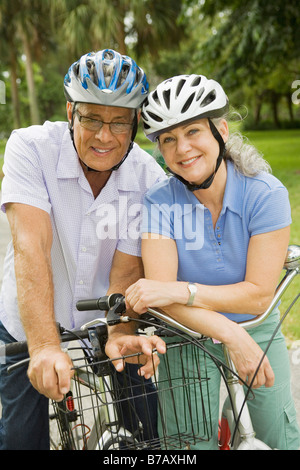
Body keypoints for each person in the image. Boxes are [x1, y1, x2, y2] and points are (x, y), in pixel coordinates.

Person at [122, 74, 300, 450]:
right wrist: (229, 334)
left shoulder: (266, 194)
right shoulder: (159, 202)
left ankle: (233, 423)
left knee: (278, 436)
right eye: (168, 139)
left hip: (257, 325)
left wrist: (178, 290)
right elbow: (163, 300)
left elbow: (256, 296)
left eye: (192, 132)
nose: (181, 148)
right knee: (188, 443)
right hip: (186, 332)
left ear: (220, 130)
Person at [0, 49, 166, 450]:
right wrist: (42, 347)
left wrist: (121, 331)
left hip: (104, 321)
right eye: (92, 118)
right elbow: (31, 247)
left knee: (147, 436)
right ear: (71, 111)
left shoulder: (148, 176)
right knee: (22, 438)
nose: (104, 136)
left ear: (135, 122)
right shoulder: (30, 147)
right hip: (28, 325)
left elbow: (126, 273)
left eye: (119, 122)